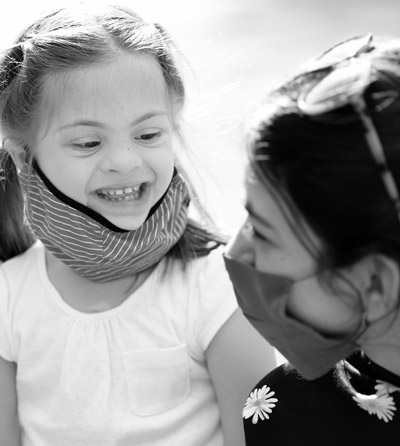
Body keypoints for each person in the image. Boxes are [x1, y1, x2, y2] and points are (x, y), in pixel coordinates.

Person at [0, 4, 276, 445]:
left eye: (148, 135)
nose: (125, 161)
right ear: (21, 156)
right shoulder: (9, 296)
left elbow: (259, 435)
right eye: (88, 142)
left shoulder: (216, 287)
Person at [224, 33, 400, 444]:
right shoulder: (274, 412)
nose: (238, 250)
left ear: (374, 282)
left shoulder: (291, 422)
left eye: (263, 232)